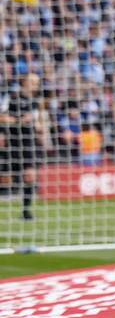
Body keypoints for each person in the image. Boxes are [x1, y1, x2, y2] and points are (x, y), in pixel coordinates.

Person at [0, 73, 42, 221]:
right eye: (32, 81)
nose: (35, 85)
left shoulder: (35, 101)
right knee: (6, 179)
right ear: (24, 82)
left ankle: (25, 212)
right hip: (12, 142)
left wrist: (38, 127)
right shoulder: (12, 98)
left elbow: (36, 122)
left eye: (36, 82)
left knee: (30, 176)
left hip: (28, 143)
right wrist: (19, 120)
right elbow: (1, 117)